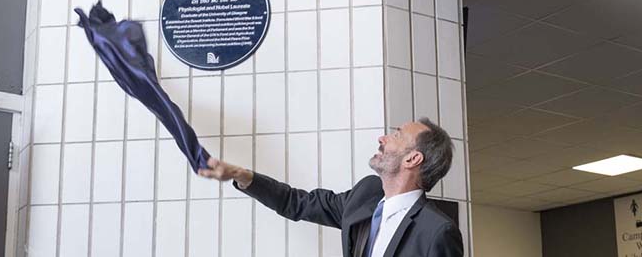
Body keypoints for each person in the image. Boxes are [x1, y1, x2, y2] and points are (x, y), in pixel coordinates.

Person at [199, 118, 464, 257]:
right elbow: (297, 203)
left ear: (412, 159)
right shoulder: (366, 196)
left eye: (396, 135)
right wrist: (241, 174)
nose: (382, 138)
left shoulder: (438, 232)